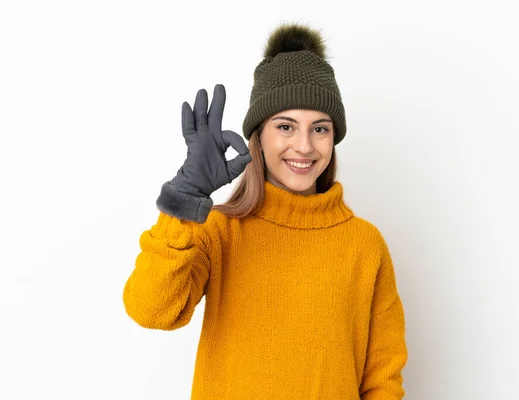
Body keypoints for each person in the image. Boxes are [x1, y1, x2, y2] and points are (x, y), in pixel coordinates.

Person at [123, 22, 408, 399]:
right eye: (286, 126)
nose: (304, 146)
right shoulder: (219, 230)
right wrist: (185, 196)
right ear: (259, 136)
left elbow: (382, 381)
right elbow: (150, 309)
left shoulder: (364, 245)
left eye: (320, 129)